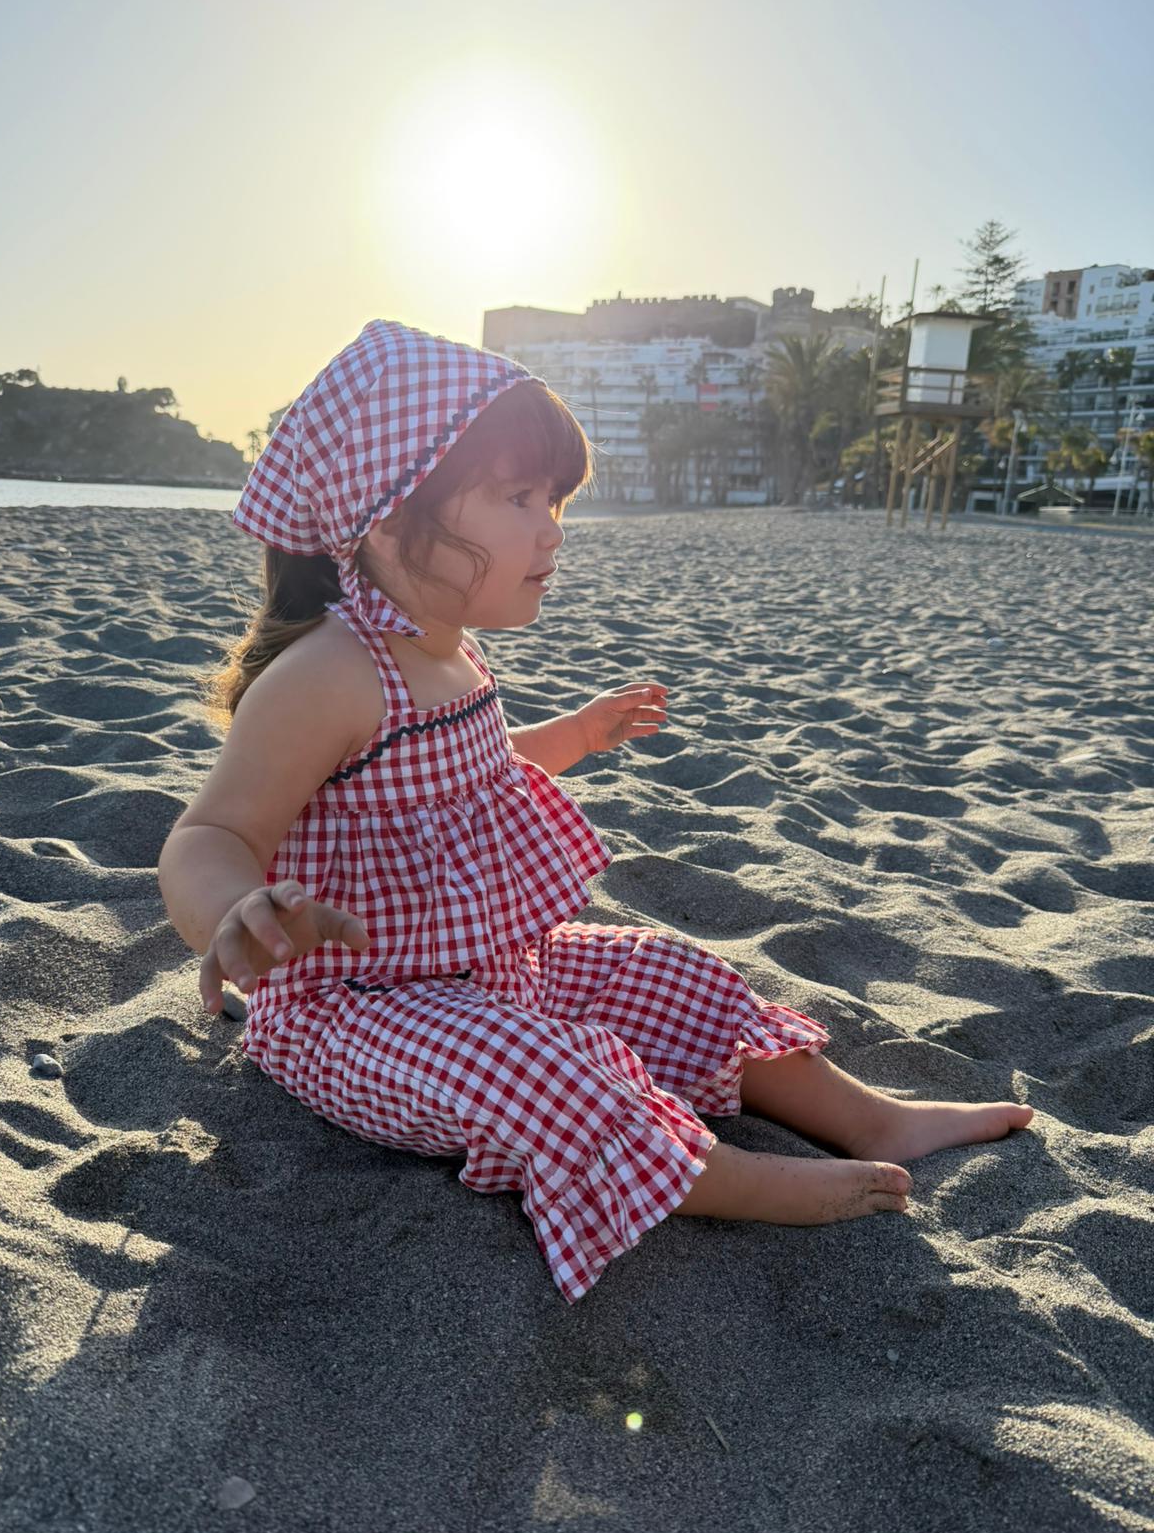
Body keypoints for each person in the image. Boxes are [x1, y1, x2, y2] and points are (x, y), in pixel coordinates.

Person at [157, 319, 1033, 1304]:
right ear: (389, 515)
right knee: (547, 1073)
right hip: (354, 1007)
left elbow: (477, 774)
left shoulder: (449, 649)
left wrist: (577, 733)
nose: (551, 528)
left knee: (677, 975)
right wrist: (233, 911)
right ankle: (735, 1180)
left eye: (554, 500)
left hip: (498, 968)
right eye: (517, 497)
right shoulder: (328, 673)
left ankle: (873, 1119)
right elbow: (210, 832)